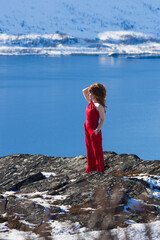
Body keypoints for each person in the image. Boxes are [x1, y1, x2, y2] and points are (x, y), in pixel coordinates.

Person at [83, 83, 106, 173]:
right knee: (89, 150)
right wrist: (94, 86)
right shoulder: (90, 102)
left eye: (90, 93)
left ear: (94, 93)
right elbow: (84, 91)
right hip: (87, 129)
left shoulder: (99, 106)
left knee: (97, 152)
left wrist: (97, 129)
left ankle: (99, 170)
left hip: (94, 131)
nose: (88, 94)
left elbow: (103, 120)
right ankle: (91, 169)